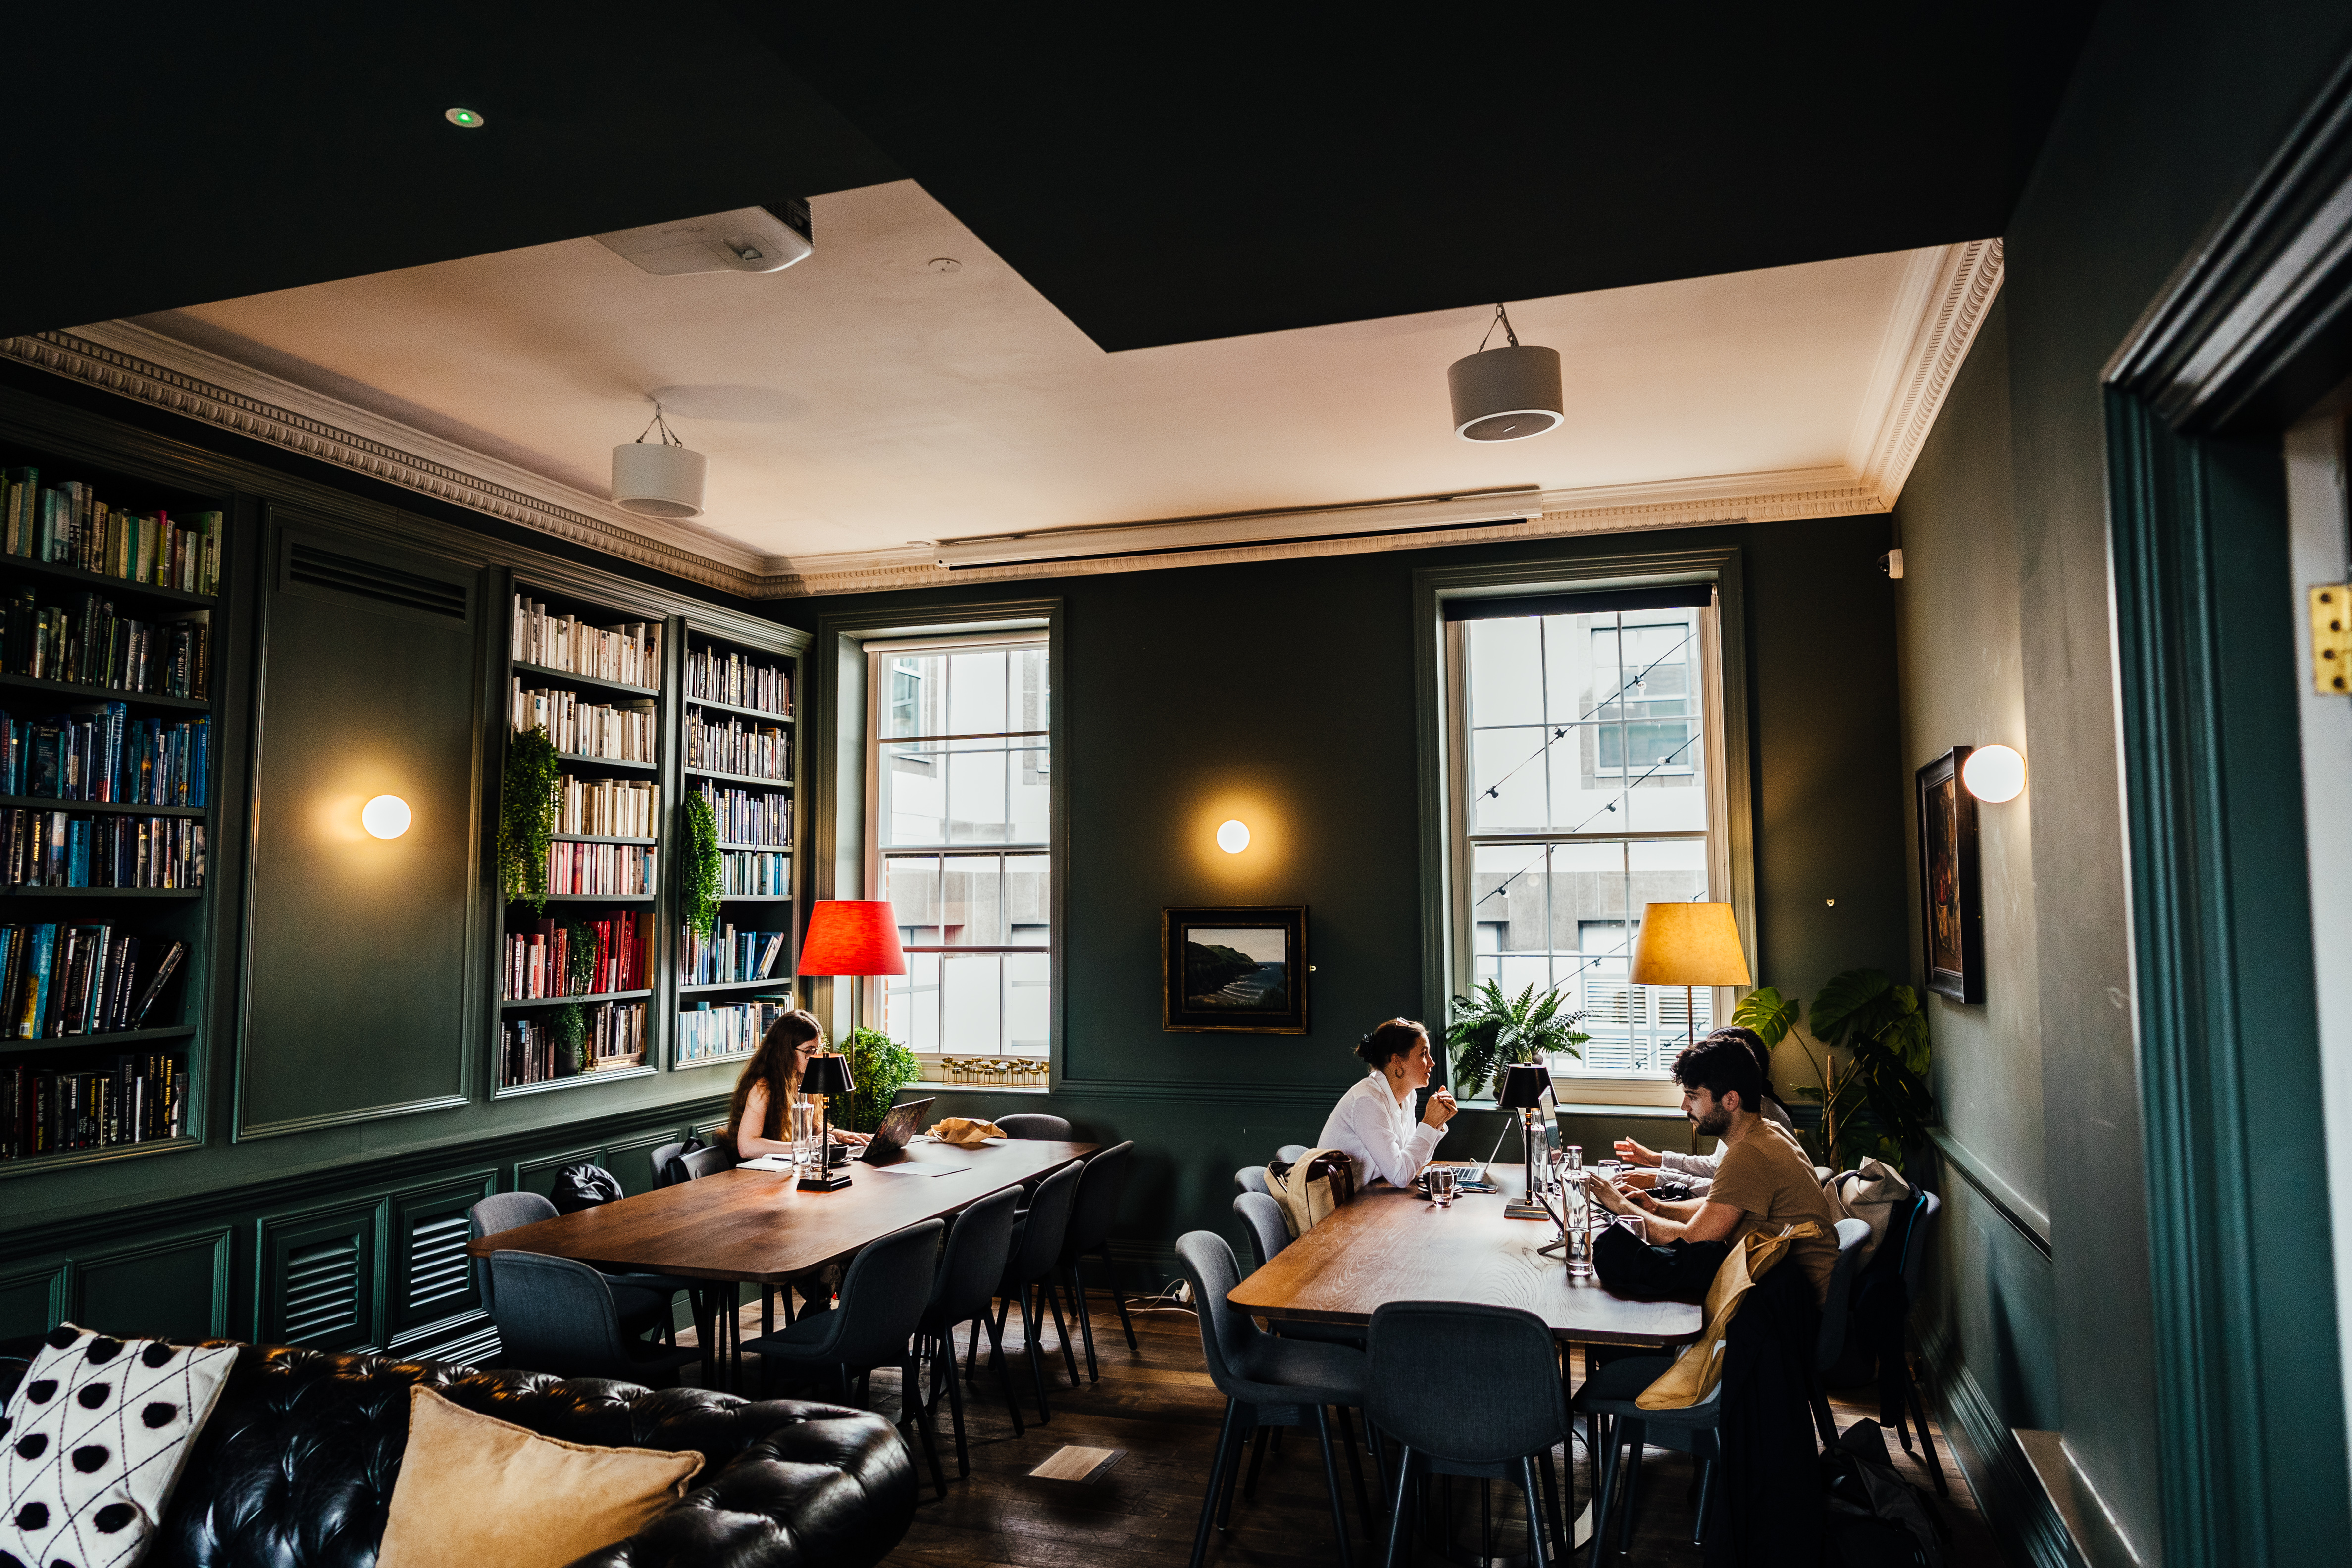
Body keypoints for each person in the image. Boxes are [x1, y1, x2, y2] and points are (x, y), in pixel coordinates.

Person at [1586, 1032, 1841, 1303]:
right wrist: (1657, 1208)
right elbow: (1717, 1207)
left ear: (1730, 1100)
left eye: (1693, 1096)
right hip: (1786, 1290)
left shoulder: (1749, 1155)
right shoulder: (1767, 1132)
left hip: (1794, 1309)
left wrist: (1619, 1205)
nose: (1684, 1106)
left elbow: (1691, 1239)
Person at [1612, 1026, 1798, 1190]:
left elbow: (1730, 1190)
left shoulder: (1758, 1121)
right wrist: (1655, 1159)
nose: (1684, 1106)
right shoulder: (1749, 1110)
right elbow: (1717, 1167)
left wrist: (1659, 1180)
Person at [1315, 1017, 1459, 1188]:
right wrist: (1429, 1123)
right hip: (1338, 1206)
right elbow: (1400, 1176)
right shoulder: (1367, 1100)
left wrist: (1436, 1124)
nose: (1432, 1062)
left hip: (1369, 1196)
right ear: (1397, 1060)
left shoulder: (1408, 1096)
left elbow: (1412, 1162)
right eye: (1423, 1053)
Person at [727, 1009, 871, 1160]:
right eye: (808, 1051)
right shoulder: (763, 1087)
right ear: (786, 1051)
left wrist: (837, 1134)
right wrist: (804, 1145)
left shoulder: (803, 1077)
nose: (814, 1057)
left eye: (817, 1049)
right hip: (761, 1171)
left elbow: (813, 1127)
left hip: (793, 1164)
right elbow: (747, 1147)